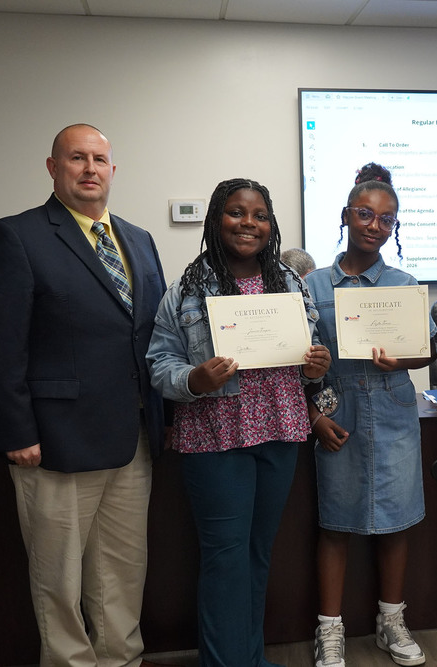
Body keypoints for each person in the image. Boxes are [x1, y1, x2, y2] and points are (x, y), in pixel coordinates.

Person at [0, 124, 169, 667]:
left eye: (99, 159)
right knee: (58, 580)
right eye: (76, 158)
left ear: (112, 169)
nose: (89, 169)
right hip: (55, 443)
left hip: (133, 438)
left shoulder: (139, 238)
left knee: (122, 574)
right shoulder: (17, 235)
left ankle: (120, 660)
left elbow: (152, 335)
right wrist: (15, 430)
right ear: (52, 167)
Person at [146, 178, 331, 667]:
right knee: (225, 558)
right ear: (215, 219)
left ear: (271, 226)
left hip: (279, 429)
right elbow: (159, 364)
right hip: (215, 436)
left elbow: (311, 358)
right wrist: (195, 378)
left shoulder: (290, 282)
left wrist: (315, 365)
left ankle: (250, 659)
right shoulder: (186, 289)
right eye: (236, 212)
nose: (248, 223)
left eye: (259, 215)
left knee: (256, 555)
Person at [306, 163, 433, 667]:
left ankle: (391, 621)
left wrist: (400, 359)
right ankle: (330, 630)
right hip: (339, 413)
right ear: (346, 215)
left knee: (396, 523)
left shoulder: (403, 282)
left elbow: (423, 353)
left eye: (386, 219)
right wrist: (314, 417)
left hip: (395, 407)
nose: (374, 225)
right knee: (335, 523)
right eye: (365, 214)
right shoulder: (313, 284)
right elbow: (301, 363)